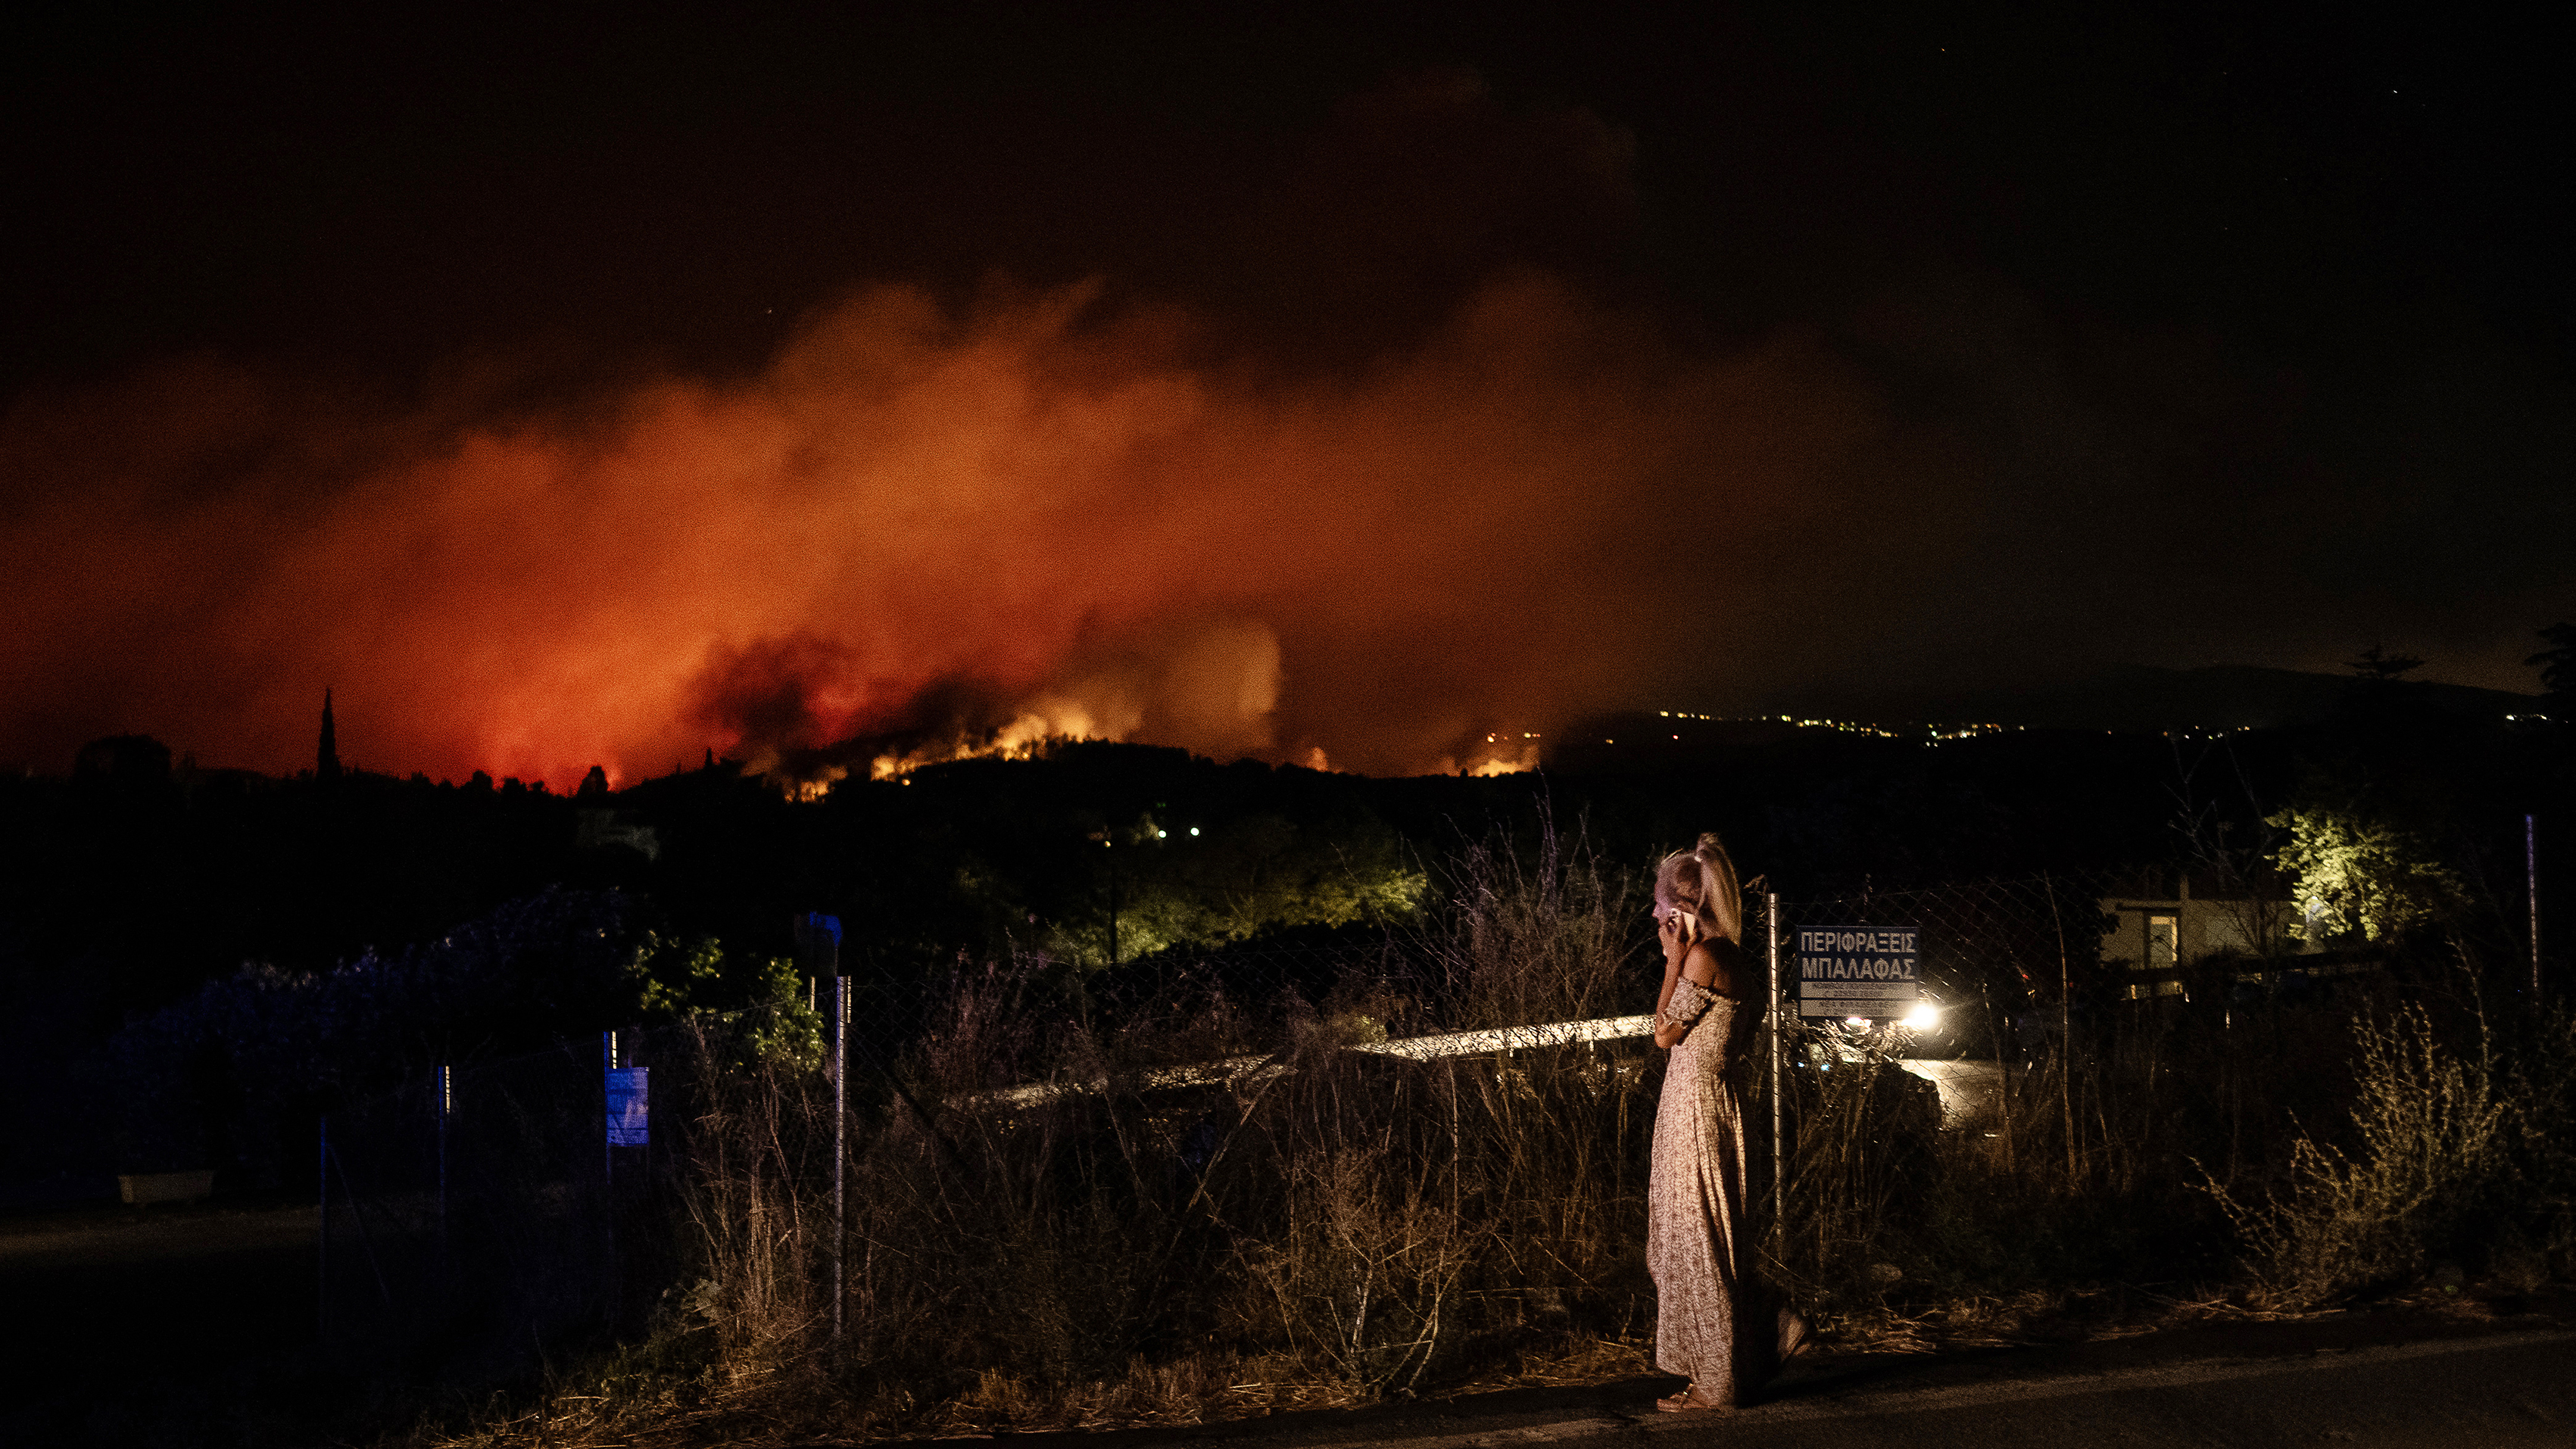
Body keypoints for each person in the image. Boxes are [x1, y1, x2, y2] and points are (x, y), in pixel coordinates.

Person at [1645, 833, 1801, 1411]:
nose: (1654, 914)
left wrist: (1673, 959)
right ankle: (1766, 1335)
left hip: (1698, 1111)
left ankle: (1717, 1383)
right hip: (1715, 1103)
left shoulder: (1705, 958)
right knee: (1706, 1238)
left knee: (1700, 1242)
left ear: (1682, 910)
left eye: (1662, 905)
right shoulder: (1733, 956)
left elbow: (1664, 1033)